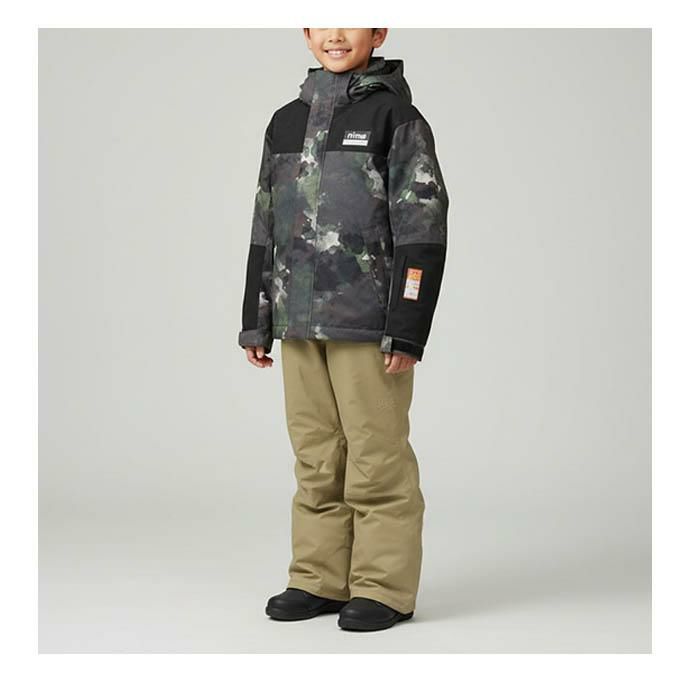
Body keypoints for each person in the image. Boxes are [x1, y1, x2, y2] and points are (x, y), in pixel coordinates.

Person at [238, 28, 450, 632]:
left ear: (378, 31)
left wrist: (407, 326)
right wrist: (257, 316)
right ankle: (318, 577)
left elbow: (422, 227)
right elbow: (264, 224)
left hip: (368, 324)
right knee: (315, 456)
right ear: (306, 33)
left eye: (351, 19)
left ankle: (383, 587)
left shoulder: (396, 119)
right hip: (298, 320)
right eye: (321, 21)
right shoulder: (284, 122)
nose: (335, 33)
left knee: (376, 456)